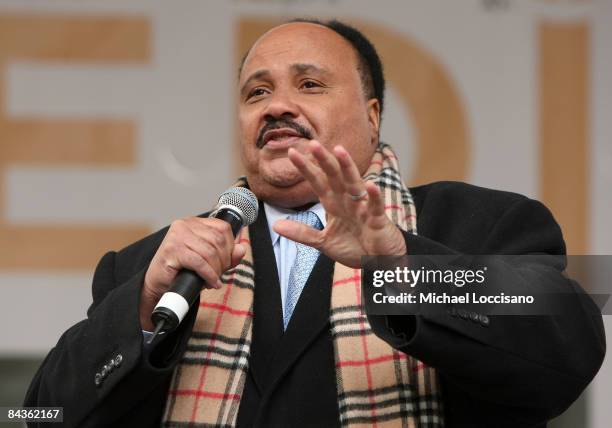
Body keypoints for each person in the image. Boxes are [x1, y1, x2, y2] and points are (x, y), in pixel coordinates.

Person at [25, 19, 605, 427]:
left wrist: (402, 267)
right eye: (258, 92)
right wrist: (146, 308)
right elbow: (40, 413)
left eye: (310, 84)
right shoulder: (157, 263)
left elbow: (571, 344)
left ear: (372, 117)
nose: (277, 105)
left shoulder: (479, 221)